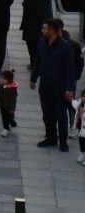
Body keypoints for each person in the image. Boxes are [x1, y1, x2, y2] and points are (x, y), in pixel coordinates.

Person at [31, 18, 78, 150]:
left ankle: (63, 141)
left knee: (61, 113)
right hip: (45, 84)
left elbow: (70, 68)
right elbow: (37, 59)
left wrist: (69, 88)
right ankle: (51, 137)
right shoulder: (42, 41)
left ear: (52, 30)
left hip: (60, 86)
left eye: (45, 28)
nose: (42, 30)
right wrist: (33, 78)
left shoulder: (65, 46)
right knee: (47, 112)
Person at [0, 68, 19, 138]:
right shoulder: (1, 85)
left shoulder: (13, 90)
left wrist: (12, 109)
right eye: (1, 78)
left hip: (9, 108)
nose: (1, 79)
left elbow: (13, 100)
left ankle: (13, 123)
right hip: (2, 106)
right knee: (4, 118)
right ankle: (6, 129)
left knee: (10, 118)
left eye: (3, 78)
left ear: (9, 80)